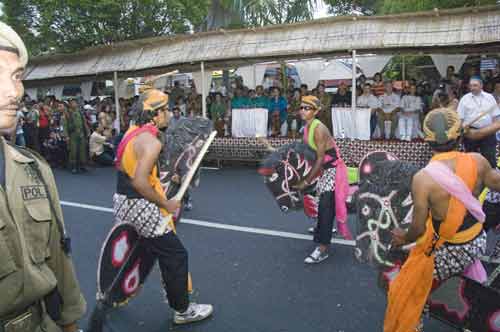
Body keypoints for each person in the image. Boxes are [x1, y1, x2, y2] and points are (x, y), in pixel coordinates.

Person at [0, 21, 86, 332]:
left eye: (17, 77)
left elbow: (59, 263)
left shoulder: (34, 169)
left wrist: (70, 325)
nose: (14, 92)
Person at [384, 108, 500, 332]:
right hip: (478, 240)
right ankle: (475, 291)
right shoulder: (478, 161)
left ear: (427, 141)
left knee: (408, 286)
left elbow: (417, 230)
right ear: (459, 136)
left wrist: (401, 238)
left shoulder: (423, 179)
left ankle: (414, 322)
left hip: (454, 247)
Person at [114, 88, 213, 324]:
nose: (169, 114)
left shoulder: (131, 131)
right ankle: (183, 310)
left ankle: (112, 290)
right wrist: (165, 203)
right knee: (176, 255)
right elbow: (140, 181)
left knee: (143, 249)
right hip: (143, 206)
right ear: (155, 115)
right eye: (165, 110)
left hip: (122, 201)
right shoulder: (151, 142)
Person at [294, 96, 349, 264]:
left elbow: (319, 159)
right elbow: (305, 150)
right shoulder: (306, 127)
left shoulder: (319, 129)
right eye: (302, 107)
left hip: (332, 169)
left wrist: (306, 180)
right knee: (318, 202)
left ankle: (323, 248)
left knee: (325, 205)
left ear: (316, 111)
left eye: (307, 108)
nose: (303, 110)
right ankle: (323, 228)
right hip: (323, 168)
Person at [458, 77, 500, 168]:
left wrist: (493, 129)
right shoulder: (464, 99)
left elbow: (496, 117)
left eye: (475, 85)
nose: (472, 88)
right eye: (471, 86)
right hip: (471, 133)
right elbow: (460, 119)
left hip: (488, 132)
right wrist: (463, 130)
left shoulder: (490, 97)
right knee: (471, 159)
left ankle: (490, 180)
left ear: (481, 86)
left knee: (490, 159)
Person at [63, 99, 89, 174]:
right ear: (70, 105)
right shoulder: (67, 114)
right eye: (72, 103)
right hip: (72, 134)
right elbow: (65, 126)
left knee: (82, 150)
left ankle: (83, 165)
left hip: (81, 133)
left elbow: (84, 122)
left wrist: (87, 131)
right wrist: (66, 136)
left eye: (75, 103)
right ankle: (73, 166)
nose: (74, 104)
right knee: (73, 151)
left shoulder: (80, 112)